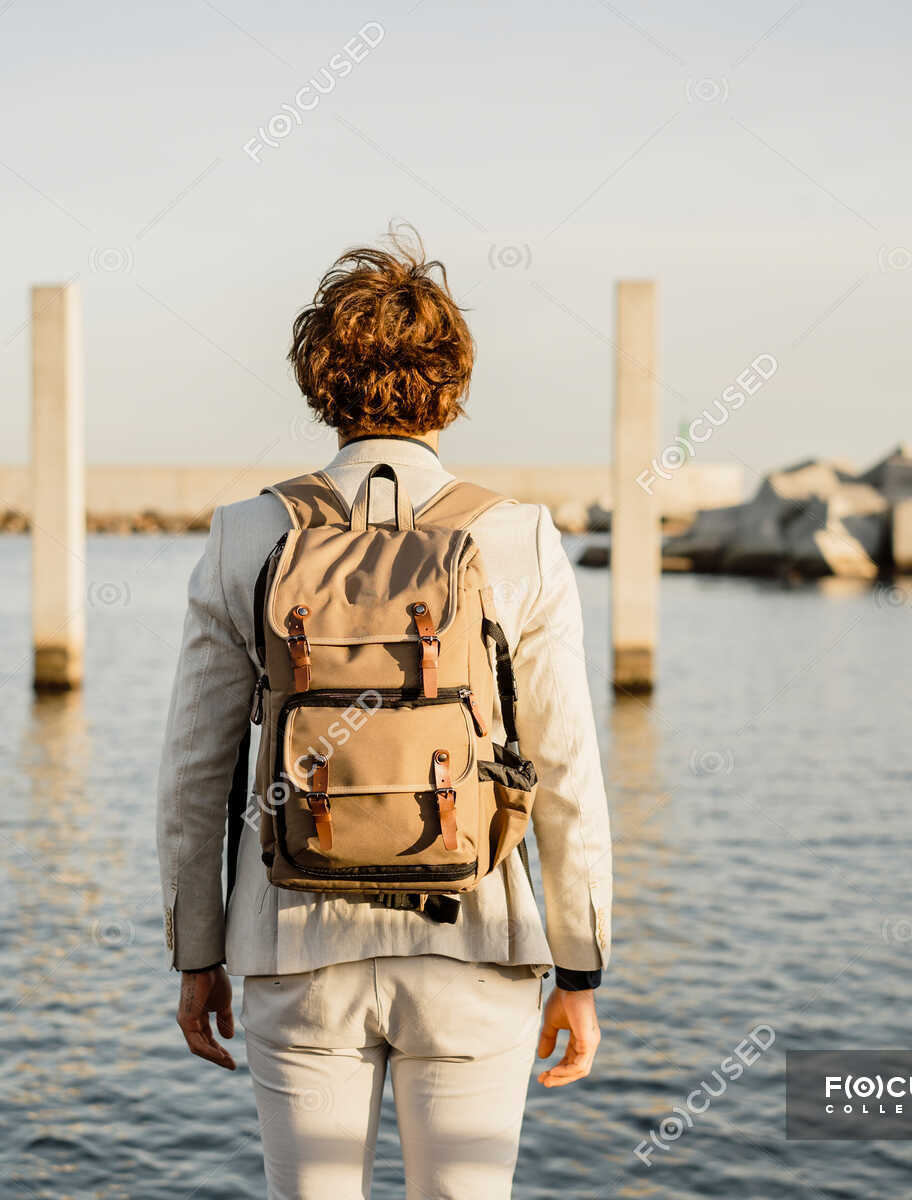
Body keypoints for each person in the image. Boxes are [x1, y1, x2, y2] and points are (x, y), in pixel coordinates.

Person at [155, 227, 613, 1199]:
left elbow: (195, 776)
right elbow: (566, 769)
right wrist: (578, 968)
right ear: (452, 383)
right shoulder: (519, 537)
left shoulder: (247, 535)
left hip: (294, 945)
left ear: (319, 381)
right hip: (476, 944)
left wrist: (199, 956)